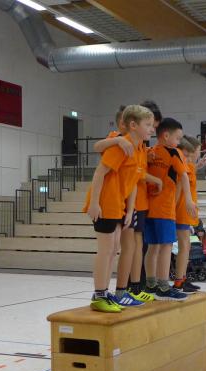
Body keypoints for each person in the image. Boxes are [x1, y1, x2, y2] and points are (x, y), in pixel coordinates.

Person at [83, 105, 154, 312]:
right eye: (148, 125)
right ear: (133, 125)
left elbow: (133, 182)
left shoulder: (139, 149)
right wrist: (94, 203)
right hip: (105, 203)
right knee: (106, 250)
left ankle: (105, 293)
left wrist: (130, 210)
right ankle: (99, 295)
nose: (152, 129)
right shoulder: (121, 145)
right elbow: (100, 173)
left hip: (119, 205)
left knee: (114, 249)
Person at [143, 117, 193, 301]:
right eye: (178, 138)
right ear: (166, 135)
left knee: (153, 247)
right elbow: (184, 176)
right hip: (164, 209)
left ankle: (150, 285)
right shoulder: (173, 152)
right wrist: (188, 200)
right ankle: (163, 287)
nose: (179, 142)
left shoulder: (149, 152)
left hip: (148, 208)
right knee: (165, 247)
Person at [173, 137, 206, 294]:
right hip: (181, 211)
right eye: (198, 150)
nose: (199, 153)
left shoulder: (189, 166)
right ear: (191, 151)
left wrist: (198, 166)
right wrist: (173, 210)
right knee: (184, 247)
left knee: (186, 247)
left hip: (185, 212)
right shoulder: (184, 166)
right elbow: (179, 188)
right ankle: (179, 281)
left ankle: (182, 278)